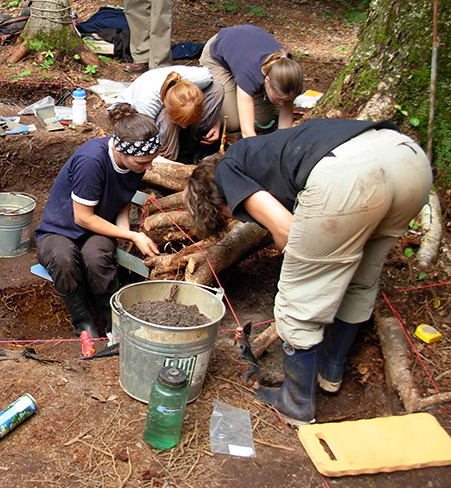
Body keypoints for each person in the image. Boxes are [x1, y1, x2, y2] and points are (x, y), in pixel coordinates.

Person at [183, 118, 432, 425]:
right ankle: (331, 372)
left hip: (351, 176)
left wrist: (302, 262)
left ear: (212, 200)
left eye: (225, 212)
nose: (231, 214)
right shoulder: (266, 152)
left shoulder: (225, 172)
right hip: (409, 161)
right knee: (359, 280)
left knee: (297, 297)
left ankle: (296, 401)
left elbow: (285, 228)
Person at [35, 104, 161, 338]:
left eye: (151, 160)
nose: (149, 167)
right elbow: (83, 218)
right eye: (144, 162)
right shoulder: (92, 161)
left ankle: (114, 325)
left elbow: (123, 194)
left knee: (97, 259)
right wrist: (133, 234)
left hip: (97, 229)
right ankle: (84, 324)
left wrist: (122, 231)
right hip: (60, 230)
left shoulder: (135, 162)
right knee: (63, 260)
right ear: (121, 152)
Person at [199, 24, 303, 137]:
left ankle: (238, 88)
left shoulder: (286, 72)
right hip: (218, 56)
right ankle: (211, 94)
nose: (283, 104)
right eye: (280, 99)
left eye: (287, 100)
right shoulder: (250, 73)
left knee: (262, 121)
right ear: (267, 80)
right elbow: (247, 133)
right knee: (232, 123)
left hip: (245, 53)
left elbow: (285, 130)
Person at [112, 65, 224, 163]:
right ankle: (171, 155)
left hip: (168, 109)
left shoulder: (203, 78)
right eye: (181, 122)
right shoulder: (146, 103)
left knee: (217, 89)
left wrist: (215, 122)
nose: (184, 126)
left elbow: (210, 96)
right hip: (133, 119)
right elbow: (141, 142)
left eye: (186, 123)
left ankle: (194, 142)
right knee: (166, 119)